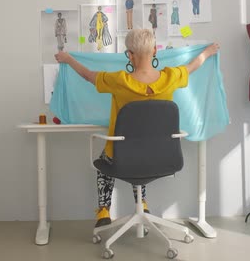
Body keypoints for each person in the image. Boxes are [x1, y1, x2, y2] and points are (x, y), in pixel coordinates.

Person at [54, 29, 220, 228]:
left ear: (130, 55)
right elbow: (193, 66)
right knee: (140, 154)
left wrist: (68, 59)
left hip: (125, 156)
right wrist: (208, 52)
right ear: (155, 52)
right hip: (162, 156)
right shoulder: (171, 77)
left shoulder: (119, 80)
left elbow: (88, 75)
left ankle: (104, 211)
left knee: (115, 155)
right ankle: (141, 202)